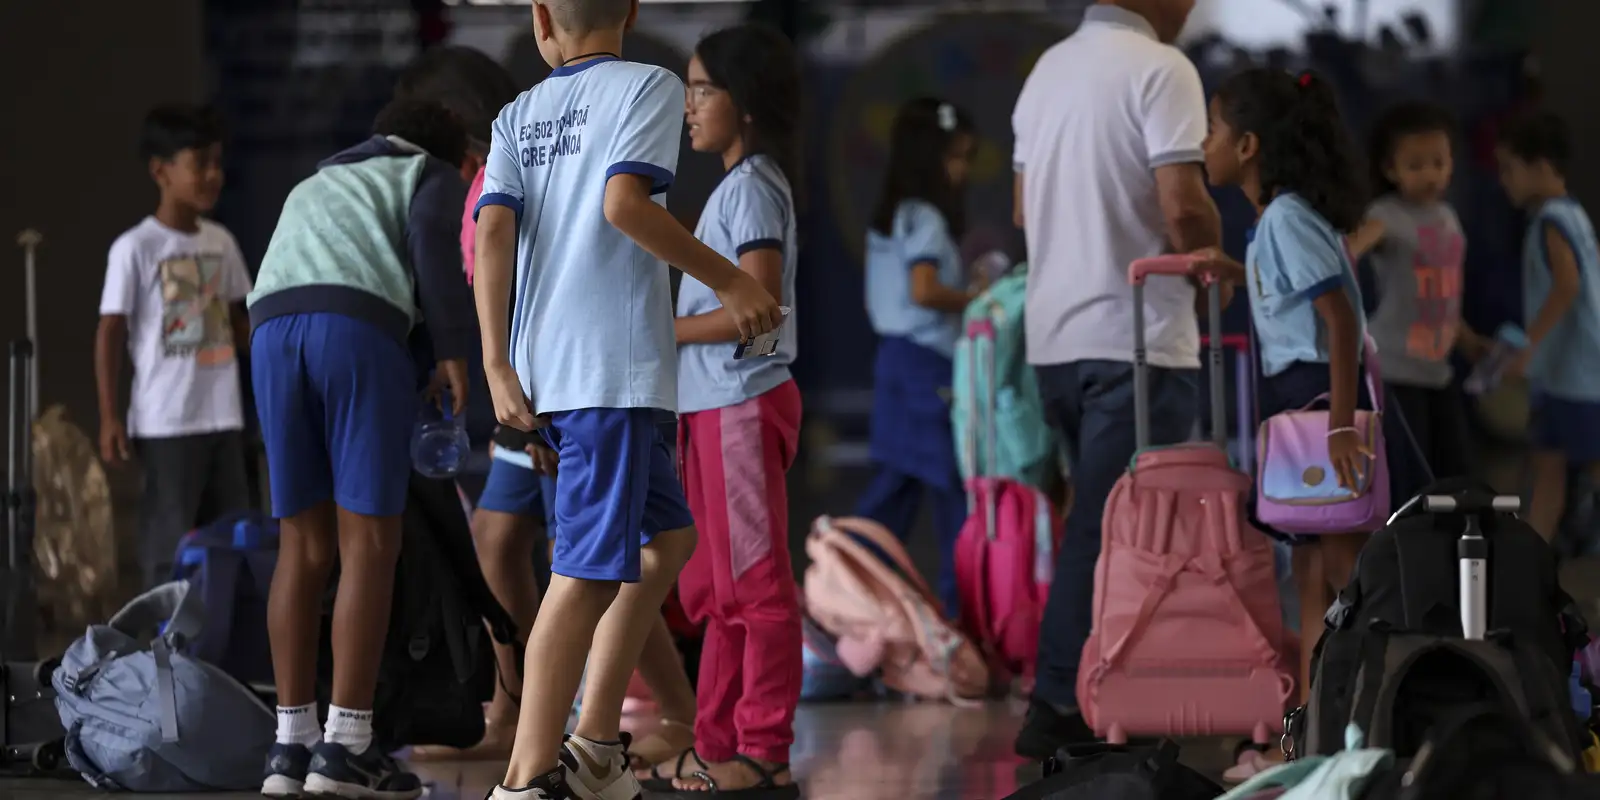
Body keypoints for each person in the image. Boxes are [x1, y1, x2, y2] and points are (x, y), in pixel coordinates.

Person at [471, 0, 782, 796]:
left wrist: (499, 366)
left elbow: (494, 235)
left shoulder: (518, 113)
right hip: (610, 372)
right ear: (634, 10)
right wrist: (731, 278)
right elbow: (624, 205)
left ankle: (595, 748)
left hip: (568, 372)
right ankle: (529, 776)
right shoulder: (644, 86)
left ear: (541, 17)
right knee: (583, 574)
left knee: (668, 542)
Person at [1009, 0, 1220, 758]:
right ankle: (1063, 700)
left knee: (1095, 522)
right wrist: (1212, 266)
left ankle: (1100, 692)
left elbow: (1022, 208)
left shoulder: (1046, 71)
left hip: (1055, 338)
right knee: (1116, 529)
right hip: (1136, 337)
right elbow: (1184, 207)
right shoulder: (1164, 70)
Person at [251, 97, 476, 800]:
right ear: (444, 153)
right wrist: (455, 354)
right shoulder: (427, 175)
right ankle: (347, 749)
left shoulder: (317, 180)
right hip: (353, 329)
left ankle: (290, 749)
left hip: (269, 331)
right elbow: (435, 251)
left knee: (303, 546)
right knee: (370, 545)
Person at [1192, 68, 1375, 778]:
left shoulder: (1286, 218)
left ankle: (1343, 731)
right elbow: (1299, 301)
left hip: (1313, 404)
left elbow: (1339, 320)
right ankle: (1309, 739)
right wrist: (1237, 272)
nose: (1201, 143)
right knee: (1312, 581)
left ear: (1247, 146)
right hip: (1299, 402)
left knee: (1340, 581)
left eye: (1211, 129)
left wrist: (1337, 426)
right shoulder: (1282, 221)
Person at [664, 23, 804, 797]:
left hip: (741, 406)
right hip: (714, 409)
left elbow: (759, 306)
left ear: (743, 103)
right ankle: (716, 743)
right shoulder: (736, 184)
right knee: (716, 590)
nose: (690, 105)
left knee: (756, 588)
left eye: (703, 88)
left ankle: (764, 747)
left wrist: (668, 330)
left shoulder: (751, 186)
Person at [96, 104, 254, 589]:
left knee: (233, 536)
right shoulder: (136, 247)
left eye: (217, 163)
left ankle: (223, 648)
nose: (213, 175)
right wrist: (109, 416)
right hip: (167, 420)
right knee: (168, 543)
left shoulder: (221, 242)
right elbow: (110, 332)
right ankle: (161, 653)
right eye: (199, 163)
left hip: (223, 416)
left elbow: (239, 321)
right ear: (161, 171)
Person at [857, 97, 982, 617]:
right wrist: (980, 295)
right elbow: (926, 290)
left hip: (892, 360)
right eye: (958, 157)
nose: (964, 171)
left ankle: (849, 596)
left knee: (894, 489)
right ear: (932, 157)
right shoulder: (926, 215)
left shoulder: (890, 218)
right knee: (954, 489)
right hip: (927, 365)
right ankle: (963, 616)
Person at [1348, 101, 1479, 481]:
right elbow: (1348, 252)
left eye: (1439, 162)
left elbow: (1444, 293)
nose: (1430, 175)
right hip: (1395, 371)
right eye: (1416, 165)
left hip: (1439, 371)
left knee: (1455, 472)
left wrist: (1468, 339)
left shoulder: (1447, 218)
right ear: (1391, 170)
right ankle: (1408, 541)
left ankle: (1452, 539)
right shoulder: (1386, 215)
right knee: (1411, 476)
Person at [1496, 112, 1600, 541]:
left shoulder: (1551, 220)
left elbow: (1568, 284)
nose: (1504, 181)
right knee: (1548, 467)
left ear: (1539, 166)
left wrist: (1529, 346)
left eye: (1508, 169)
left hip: (1576, 376)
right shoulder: (1572, 212)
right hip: (1561, 376)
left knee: (1582, 467)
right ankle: (1532, 562)